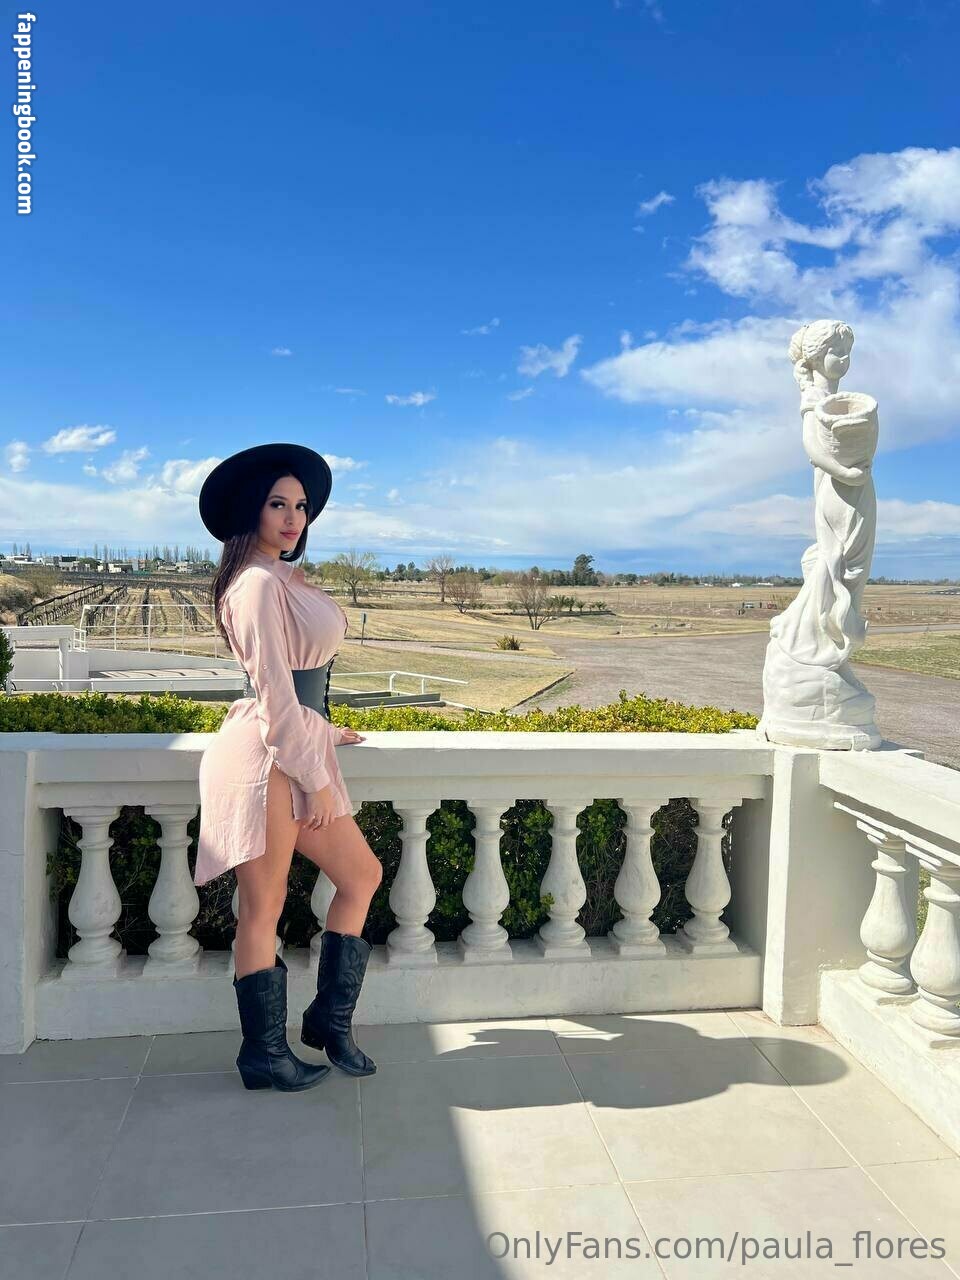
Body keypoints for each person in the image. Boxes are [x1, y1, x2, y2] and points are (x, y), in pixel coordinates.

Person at [195, 442, 383, 1092]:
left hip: (296, 743)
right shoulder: (253, 585)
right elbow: (274, 691)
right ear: (253, 509)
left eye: (301, 506)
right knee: (263, 905)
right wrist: (315, 776)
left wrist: (325, 729)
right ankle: (264, 1054)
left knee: (361, 875)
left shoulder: (280, 578)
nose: (293, 517)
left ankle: (328, 1021)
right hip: (266, 760)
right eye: (279, 504)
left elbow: (300, 689)